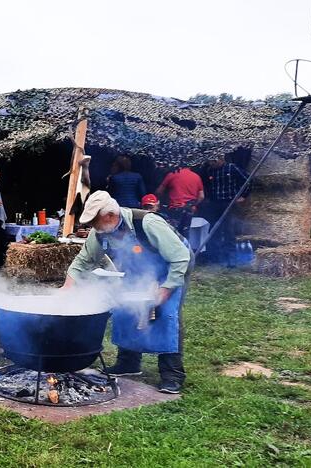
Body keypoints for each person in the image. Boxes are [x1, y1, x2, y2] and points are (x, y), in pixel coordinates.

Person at [62, 191, 192, 394]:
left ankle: (172, 375)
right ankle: (129, 362)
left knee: (165, 314)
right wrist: (68, 288)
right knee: (123, 308)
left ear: (111, 216)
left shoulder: (147, 223)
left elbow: (180, 257)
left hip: (172, 266)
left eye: (95, 221)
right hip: (138, 270)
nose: (93, 228)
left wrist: (166, 288)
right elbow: (83, 262)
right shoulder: (100, 232)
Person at [204, 155, 251, 266]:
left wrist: (244, 196)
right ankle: (215, 258)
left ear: (222, 159)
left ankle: (231, 260)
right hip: (215, 203)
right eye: (210, 161)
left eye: (214, 161)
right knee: (214, 230)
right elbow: (208, 186)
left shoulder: (232, 168)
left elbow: (248, 181)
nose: (212, 163)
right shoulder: (210, 171)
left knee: (228, 231)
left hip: (229, 203)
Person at [156, 165, 204, 237]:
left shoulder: (172, 174)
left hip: (175, 208)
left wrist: (161, 201)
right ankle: (185, 247)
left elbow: (159, 192)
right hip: (189, 209)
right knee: (185, 232)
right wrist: (193, 205)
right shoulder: (196, 176)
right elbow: (201, 196)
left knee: (173, 233)